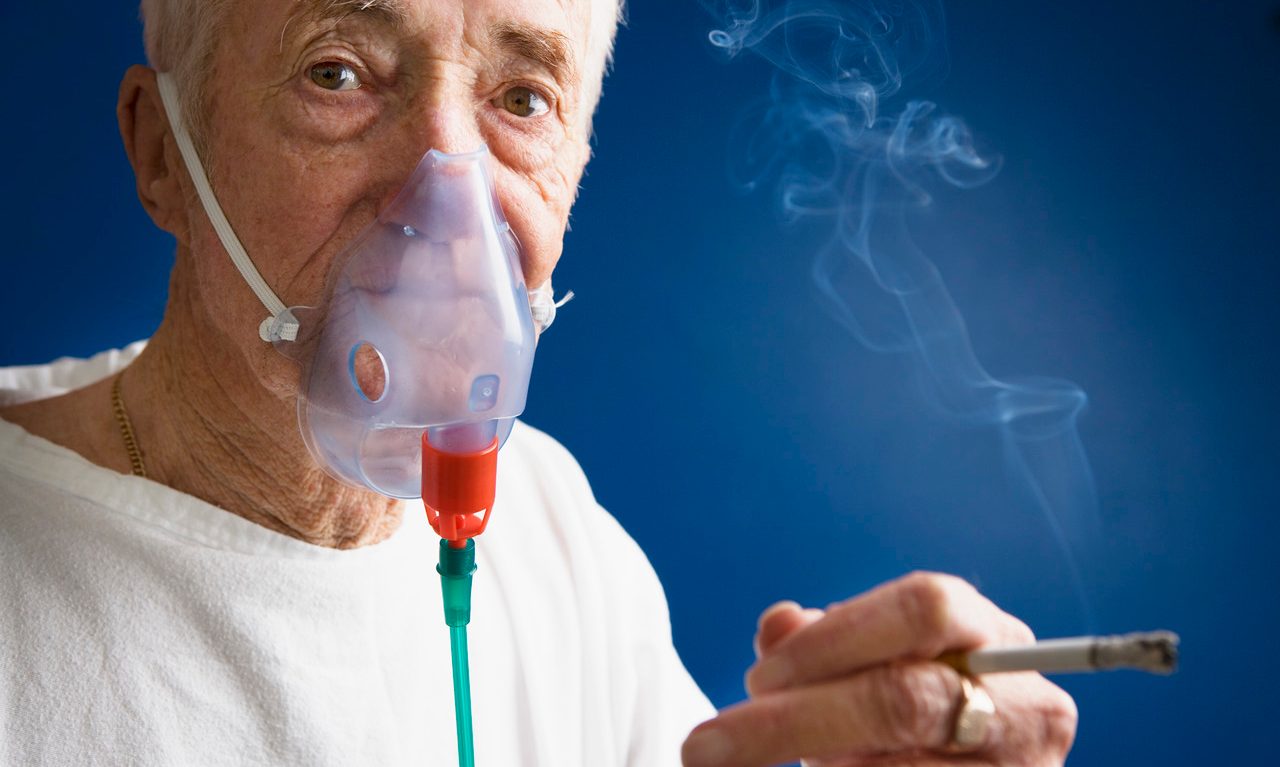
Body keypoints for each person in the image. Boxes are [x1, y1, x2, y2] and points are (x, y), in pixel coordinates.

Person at [0, 0, 1078, 765]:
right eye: (338, 71)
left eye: (520, 98)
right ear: (160, 152)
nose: (443, 190)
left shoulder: (550, 528)